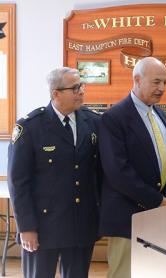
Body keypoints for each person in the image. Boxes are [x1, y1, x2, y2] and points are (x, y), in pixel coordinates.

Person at [7, 67, 100, 278]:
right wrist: (26, 227)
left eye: (82, 86)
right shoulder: (30, 127)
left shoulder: (93, 122)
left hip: (81, 224)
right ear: (56, 93)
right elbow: (18, 182)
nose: (81, 91)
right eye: (75, 88)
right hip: (43, 226)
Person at [98, 57, 166, 278]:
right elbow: (118, 172)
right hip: (127, 218)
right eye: (156, 82)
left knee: (155, 272)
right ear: (137, 79)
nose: (162, 88)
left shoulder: (160, 115)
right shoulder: (114, 118)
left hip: (159, 215)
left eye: (165, 82)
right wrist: (158, 201)